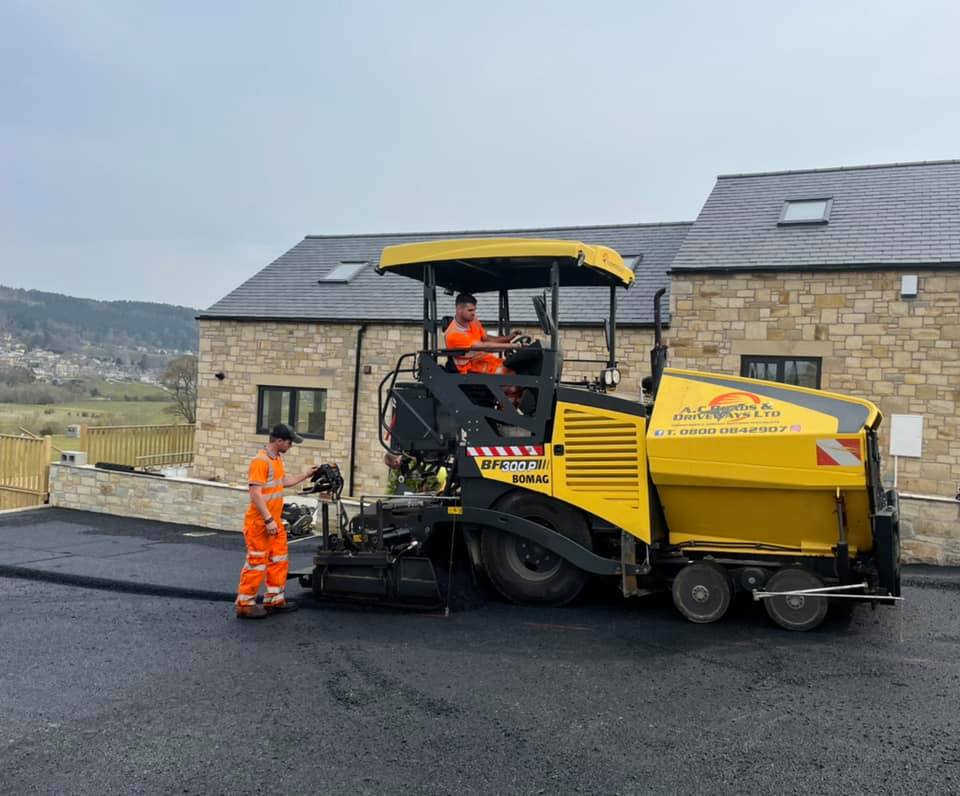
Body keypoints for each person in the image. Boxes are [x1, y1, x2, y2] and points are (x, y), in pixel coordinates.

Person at [235, 424, 319, 619]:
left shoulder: (277, 460)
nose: (291, 446)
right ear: (279, 441)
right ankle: (245, 605)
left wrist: (306, 474)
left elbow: (283, 482)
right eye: (289, 442)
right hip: (260, 523)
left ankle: (274, 600)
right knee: (257, 563)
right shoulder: (260, 461)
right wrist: (269, 519)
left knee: (278, 559)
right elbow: (255, 493)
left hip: (274, 522)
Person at [443, 292, 521, 375]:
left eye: (474, 310)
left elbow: (486, 338)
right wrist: (513, 346)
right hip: (469, 367)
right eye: (470, 310)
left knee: (515, 367)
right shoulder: (454, 334)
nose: (474, 313)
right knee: (508, 373)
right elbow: (486, 347)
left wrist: (508, 338)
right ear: (459, 309)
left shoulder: (473, 321)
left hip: (482, 359)